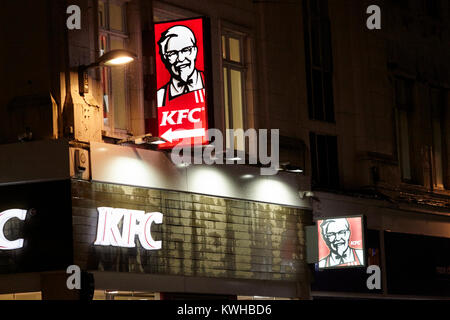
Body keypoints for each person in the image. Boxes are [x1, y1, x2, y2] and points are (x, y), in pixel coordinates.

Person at [157, 25, 205, 107]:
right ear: (165, 57)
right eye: (172, 53)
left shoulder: (210, 85)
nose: (181, 58)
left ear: (195, 51)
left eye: (186, 50)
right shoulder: (160, 97)